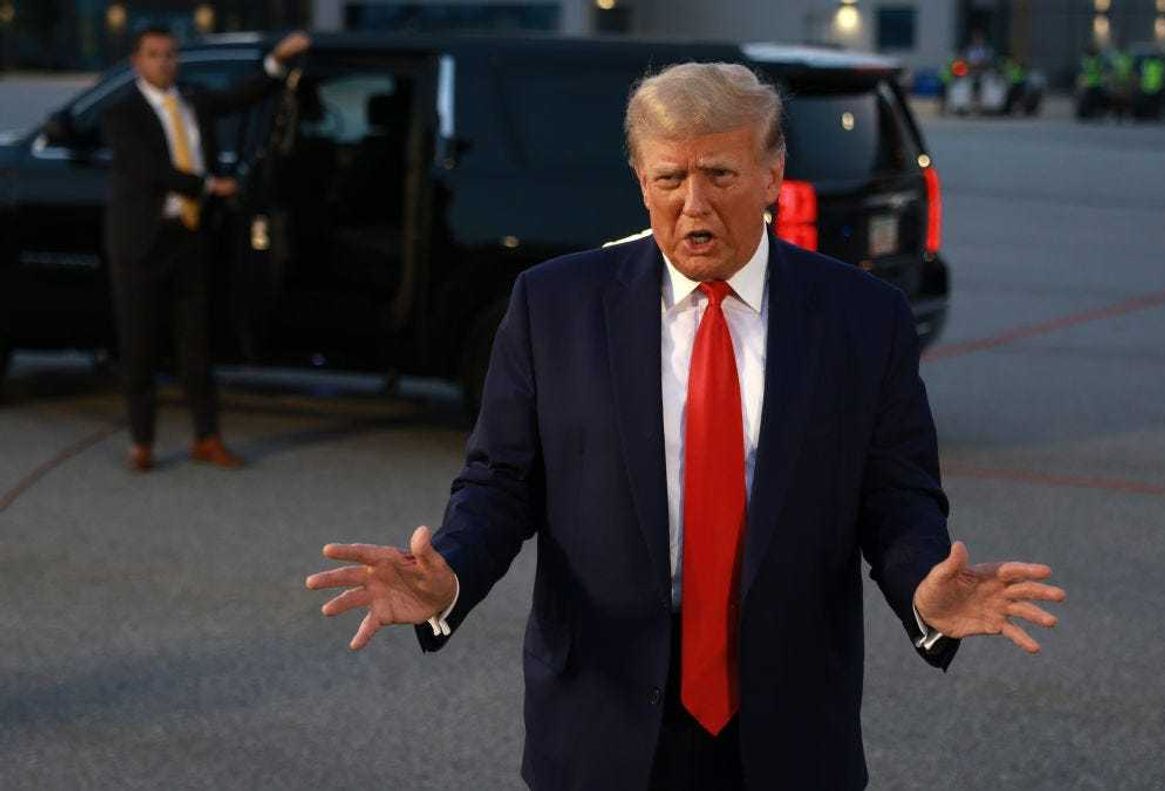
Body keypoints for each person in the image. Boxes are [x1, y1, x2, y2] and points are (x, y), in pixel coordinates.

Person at [306, 63, 1066, 790]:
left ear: (772, 176)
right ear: (641, 181)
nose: (693, 204)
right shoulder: (554, 306)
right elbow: (501, 483)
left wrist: (925, 594)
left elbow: (896, 497)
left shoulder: (863, 319)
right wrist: (452, 573)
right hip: (601, 713)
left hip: (789, 721)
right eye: (670, 178)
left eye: (721, 175)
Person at [101, 27, 311, 471]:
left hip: (190, 240)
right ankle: (142, 442)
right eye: (154, 55)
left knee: (196, 345)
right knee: (138, 345)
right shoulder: (122, 114)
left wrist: (276, 60)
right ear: (137, 62)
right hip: (142, 243)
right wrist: (208, 185)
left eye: (171, 54)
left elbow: (239, 97)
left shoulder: (192, 99)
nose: (164, 62)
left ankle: (207, 437)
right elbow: (150, 169)